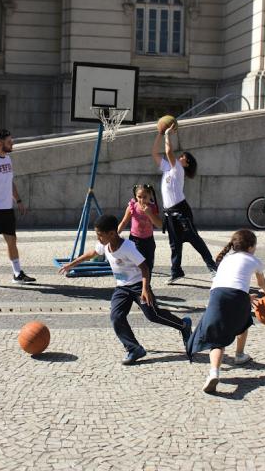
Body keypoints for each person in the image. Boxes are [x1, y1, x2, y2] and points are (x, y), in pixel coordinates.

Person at [59, 214, 192, 365]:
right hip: (122, 288)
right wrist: (72, 264)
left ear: (112, 233)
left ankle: (183, 325)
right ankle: (134, 349)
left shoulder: (127, 247)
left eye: (100, 235)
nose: (98, 239)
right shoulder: (104, 245)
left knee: (153, 315)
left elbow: (144, 267)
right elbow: (91, 253)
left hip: (137, 285)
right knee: (116, 317)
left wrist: (145, 289)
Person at [186, 229, 265, 394]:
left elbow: (227, 283)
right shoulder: (254, 260)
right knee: (244, 321)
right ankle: (239, 355)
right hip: (237, 295)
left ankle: (214, 373)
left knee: (217, 340)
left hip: (216, 296)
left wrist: (244, 296)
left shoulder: (226, 259)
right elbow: (261, 282)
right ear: (250, 247)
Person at [151, 125, 217, 285]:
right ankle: (176, 271)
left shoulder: (178, 169)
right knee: (174, 244)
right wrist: (159, 134)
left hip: (181, 211)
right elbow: (154, 153)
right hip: (169, 212)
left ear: (186, 163)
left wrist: (167, 135)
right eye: (180, 156)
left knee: (194, 239)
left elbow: (168, 151)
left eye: (183, 157)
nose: (180, 158)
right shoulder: (167, 168)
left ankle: (213, 267)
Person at [0, 128, 36, 289]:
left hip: (6, 209)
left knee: (12, 240)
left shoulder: (7, 159)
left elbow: (9, 182)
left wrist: (18, 200)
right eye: (10, 141)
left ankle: (17, 274)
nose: (12, 144)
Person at [117, 184, 162, 277]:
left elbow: (159, 225)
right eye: (139, 197)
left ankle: (147, 287)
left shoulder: (152, 208)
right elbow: (124, 222)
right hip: (135, 240)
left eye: (145, 197)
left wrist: (149, 213)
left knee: (149, 265)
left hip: (149, 240)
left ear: (150, 196)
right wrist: (115, 234)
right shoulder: (132, 207)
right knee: (137, 266)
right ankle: (138, 287)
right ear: (135, 196)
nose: (142, 200)